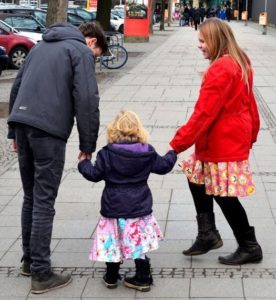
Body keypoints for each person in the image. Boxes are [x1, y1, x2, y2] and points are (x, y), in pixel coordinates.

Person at [7, 22, 108, 294]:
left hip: (23, 123)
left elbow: (17, 88)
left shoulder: (41, 46)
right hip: (47, 131)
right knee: (43, 201)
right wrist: (88, 144)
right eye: (97, 56)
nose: (94, 60)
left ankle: (29, 260)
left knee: (30, 196)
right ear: (92, 43)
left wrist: (12, 131)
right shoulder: (80, 52)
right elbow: (87, 98)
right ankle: (41, 272)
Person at [169, 18, 263, 265]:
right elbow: (250, 104)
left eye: (202, 41)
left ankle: (249, 245)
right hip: (228, 137)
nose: (199, 46)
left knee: (223, 194)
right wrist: (251, 134)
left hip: (222, 140)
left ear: (216, 40)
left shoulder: (221, 69)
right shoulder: (239, 61)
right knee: (196, 177)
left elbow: (204, 114)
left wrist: (175, 146)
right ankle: (207, 233)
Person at [78, 110, 177, 292]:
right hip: (139, 207)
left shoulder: (106, 154)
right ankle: (142, 277)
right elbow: (163, 166)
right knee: (137, 241)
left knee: (113, 241)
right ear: (138, 130)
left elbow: (93, 175)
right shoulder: (146, 152)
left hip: (113, 207)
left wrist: (84, 162)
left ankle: (111, 276)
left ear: (113, 131)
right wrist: (172, 153)